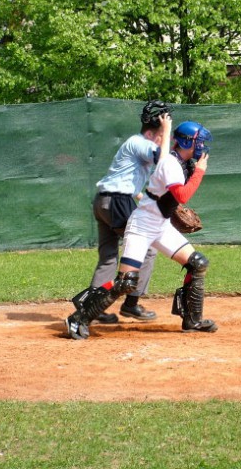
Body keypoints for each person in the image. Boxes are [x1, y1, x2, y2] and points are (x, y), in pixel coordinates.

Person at [65, 119, 217, 340]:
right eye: (198, 142)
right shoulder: (171, 164)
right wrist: (200, 172)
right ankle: (78, 318)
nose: (202, 147)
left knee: (197, 264)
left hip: (161, 225)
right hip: (143, 225)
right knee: (126, 281)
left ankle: (192, 320)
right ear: (185, 143)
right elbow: (182, 195)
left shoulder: (182, 163)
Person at [87, 100, 173, 324]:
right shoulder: (139, 142)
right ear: (153, 134)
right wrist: (167, 130)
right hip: (116, 201)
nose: (165, 141)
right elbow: (162, 161)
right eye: (162, 137)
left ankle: (93, 308)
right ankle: (131, 304)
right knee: (147, 248)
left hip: (103, 201)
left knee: (108, 258)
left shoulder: (133, 144)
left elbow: (129, 183)